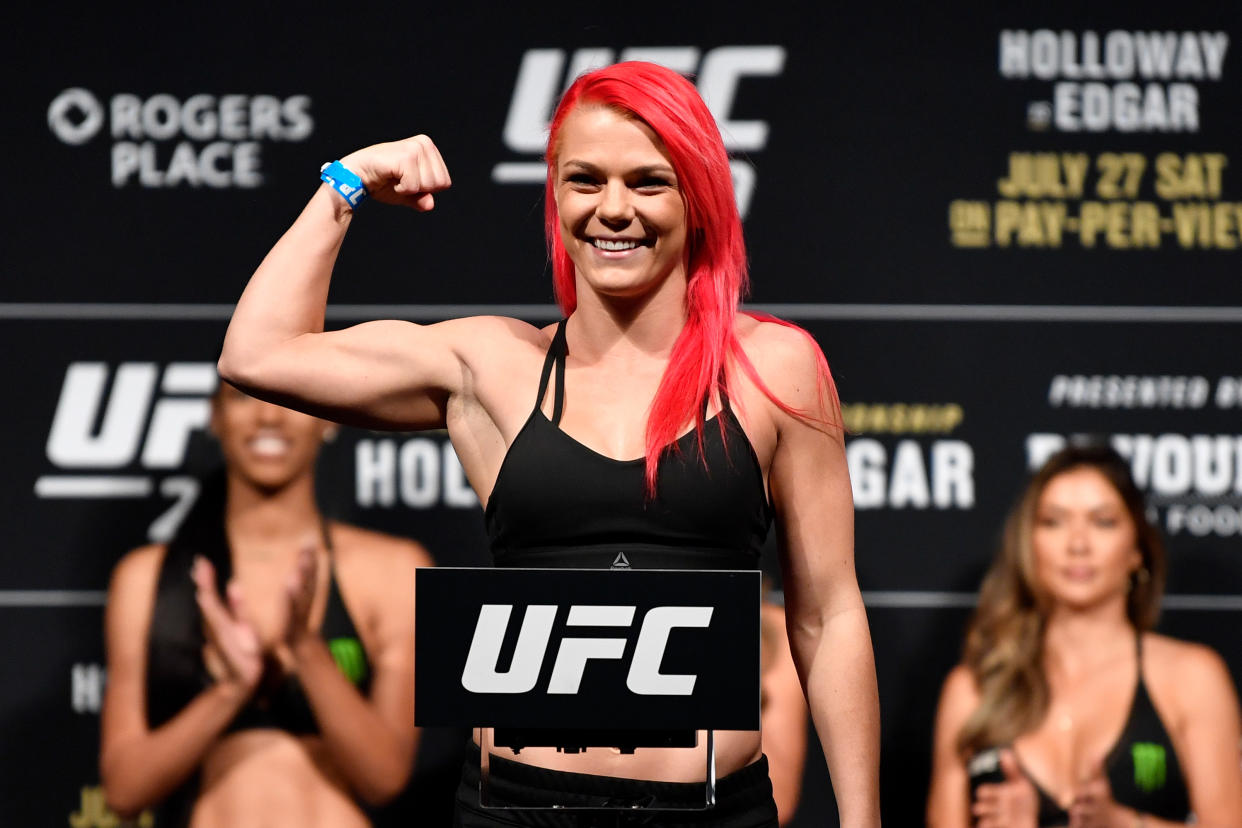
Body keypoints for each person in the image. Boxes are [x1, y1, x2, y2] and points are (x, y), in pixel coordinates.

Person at [217, 60, 880, 827]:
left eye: (648, 181)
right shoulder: (494, 368)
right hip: (517, 810)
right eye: (586, 180)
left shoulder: (773, 369)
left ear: (698, 197)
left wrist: (861, 818)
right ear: (556, 195)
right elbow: (256, 354)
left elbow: (827, 614)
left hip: (711, 812)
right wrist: (349, 182)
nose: (614, 209)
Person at [100, 381, 431, 827]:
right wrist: (230, 690)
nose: (269, 418)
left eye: (292, 399)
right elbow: (123, 791)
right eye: (242, 398)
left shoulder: (394, 569)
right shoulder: (145, 578)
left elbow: (384, 776)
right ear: (215, 416)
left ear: (329, 418)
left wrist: (305, 648)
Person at [926, 444, 1242, 827]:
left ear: (1137, 550)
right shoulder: (972, 690)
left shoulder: (1192, 678)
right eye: (1053, 522)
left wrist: (1123, 824)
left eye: (1103, 522)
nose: (1077, 545)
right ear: (1029, 543)